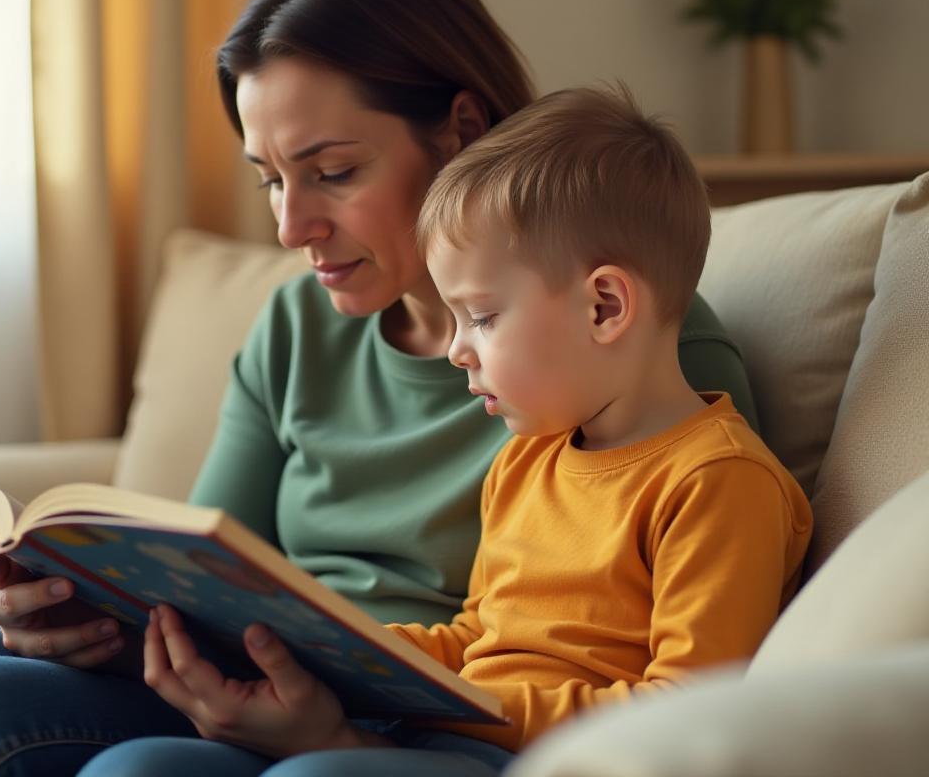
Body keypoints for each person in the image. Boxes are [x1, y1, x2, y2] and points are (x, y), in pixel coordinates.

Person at [0, 0, 757, 777]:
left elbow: (647, 647)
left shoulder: (623, 353)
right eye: (269, 180)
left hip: (391, 728)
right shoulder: (296, 328)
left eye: (332, 172)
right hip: (270, 680)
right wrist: (96, 622)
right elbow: (200, 571)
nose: (294, 226)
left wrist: (348, 718)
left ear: (460, 128)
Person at [70, 86, 813, 775]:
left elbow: (689, 713)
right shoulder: (530, 460)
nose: (457, 349)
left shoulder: (717, 482)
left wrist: (468, 712)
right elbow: (474, 635)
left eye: (483, 318)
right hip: (454, 736)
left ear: (605, 308)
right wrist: (341, 654)